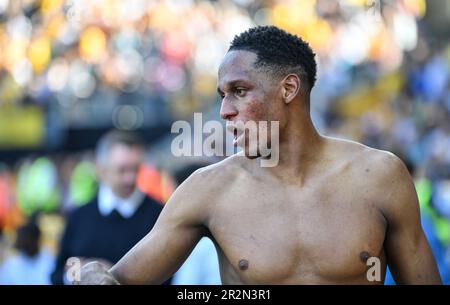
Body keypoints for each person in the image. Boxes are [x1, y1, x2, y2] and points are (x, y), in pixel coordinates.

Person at [80, 26, 442, 284]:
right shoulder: (208, 190)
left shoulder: (379, 176)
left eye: (239, 91)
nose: (224, 111)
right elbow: (119, 280)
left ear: (289, 88)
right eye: (222, 94)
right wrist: (89, 275)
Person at [51, 130, 169, 284]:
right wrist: (78, 274)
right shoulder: (78, 217)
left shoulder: (159, 214)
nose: (130, 178)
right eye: (122, 170)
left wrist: (117, 275)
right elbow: (57, 274)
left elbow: (171, 275)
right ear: (101, 169)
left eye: (135, 169)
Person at [0, 217, 55, 285]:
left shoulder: (50, 261)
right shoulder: (11, 264)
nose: (25, 242)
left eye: (28, 239)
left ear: (37, 240)